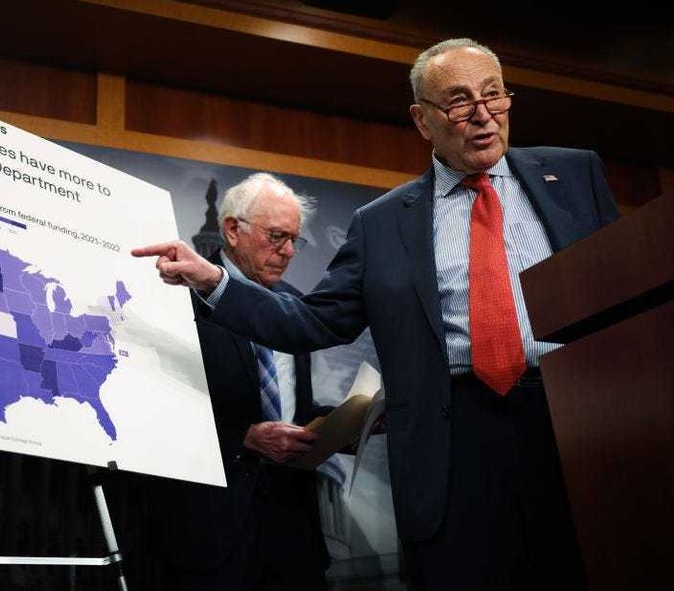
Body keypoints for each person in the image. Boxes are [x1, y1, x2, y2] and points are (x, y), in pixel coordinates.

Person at [135, 38, 620, 590]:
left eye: (494, 95)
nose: (483, 114)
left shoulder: (575, 175)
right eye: (459, 101)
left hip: (573, 420)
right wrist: (213, 281)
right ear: (422, 120)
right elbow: (313, 321)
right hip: (453, 444)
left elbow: (624, 296)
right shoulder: (381, 223)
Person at [156, 172, 331, 591]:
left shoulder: (295, 306)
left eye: (295, 240)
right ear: (233, 229)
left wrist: (342, 425)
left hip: (293, 532)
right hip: (213, 531)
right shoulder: (181, 299)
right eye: (277, 236)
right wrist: (244, 438)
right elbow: (157, 410)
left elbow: (291, 406)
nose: (288, 251)